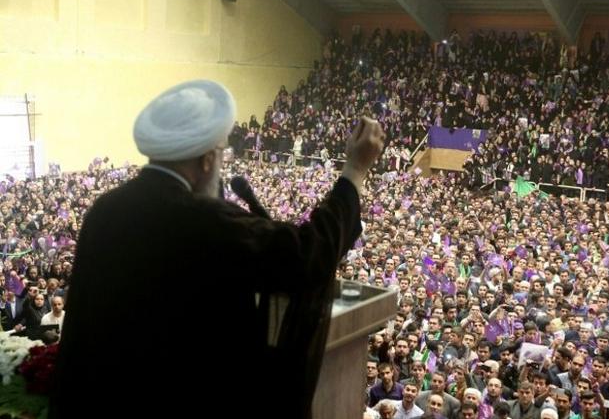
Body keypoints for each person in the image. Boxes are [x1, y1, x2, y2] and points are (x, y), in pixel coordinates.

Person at [50, 80, 385, 418]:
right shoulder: (204, 219)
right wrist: (355, 171)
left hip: (103, 398)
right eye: (223, 153)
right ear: (208, 160)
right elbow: (308, 254)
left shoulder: (105, 209)